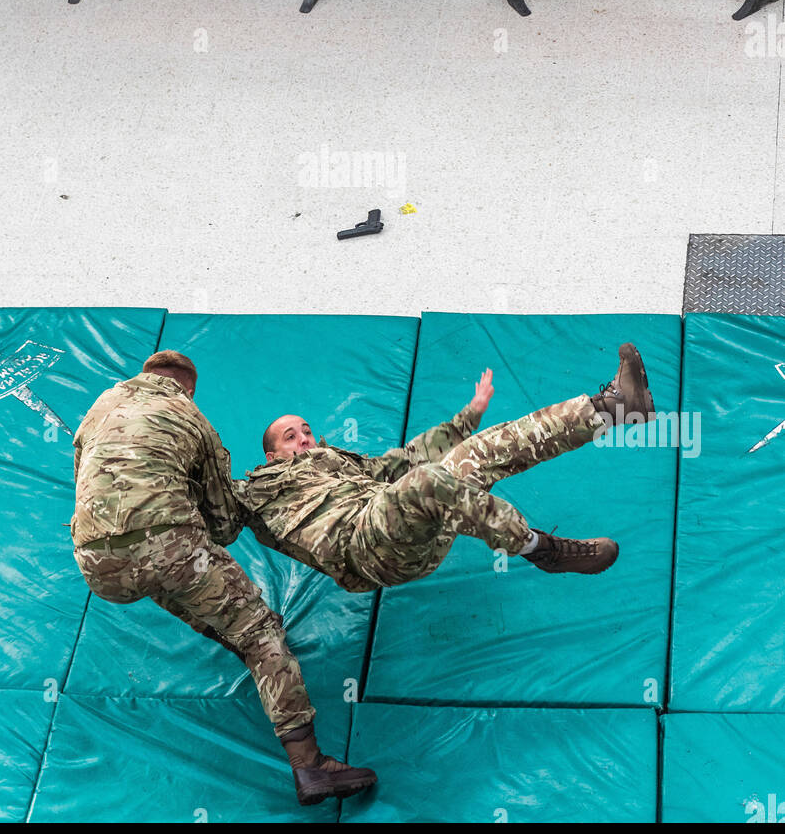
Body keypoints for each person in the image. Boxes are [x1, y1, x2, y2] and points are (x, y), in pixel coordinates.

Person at [72, 350, 376, 807]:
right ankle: (310, 766)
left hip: (96, 564)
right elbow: (222, 524)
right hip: (168, 545)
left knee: (196, 600)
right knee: (260, 634)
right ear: (187, 388)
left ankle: (243, 645)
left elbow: (88, 480)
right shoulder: (190, 417)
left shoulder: (99, 409)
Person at [235, 345, 654, 594]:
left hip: (407, 525)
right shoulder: (258, 490)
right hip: (366, 549)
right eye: (290, 436)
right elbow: (207, 499)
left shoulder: (339, 463)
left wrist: (467, 417)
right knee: (428, 481)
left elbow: (403, 460)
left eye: (306, 430)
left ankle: (613, 409)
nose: (304, 438)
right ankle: (544, 550)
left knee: (476, 452)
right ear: (271, 457)